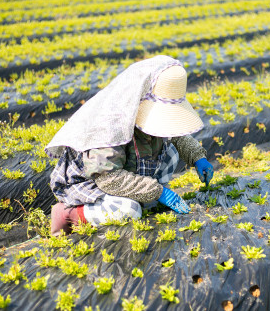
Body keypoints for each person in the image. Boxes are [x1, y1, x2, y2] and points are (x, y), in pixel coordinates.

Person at [45, 55, 214, 236]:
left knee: (171, 152)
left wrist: (198, 157)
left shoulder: (149, 113)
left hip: (124, 171)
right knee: (130, 211)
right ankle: (69, 214)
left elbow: (176, 136)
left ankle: (146, 199)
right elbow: (108, 178)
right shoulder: (110, 124)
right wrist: (157, 191)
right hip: (93, 181)